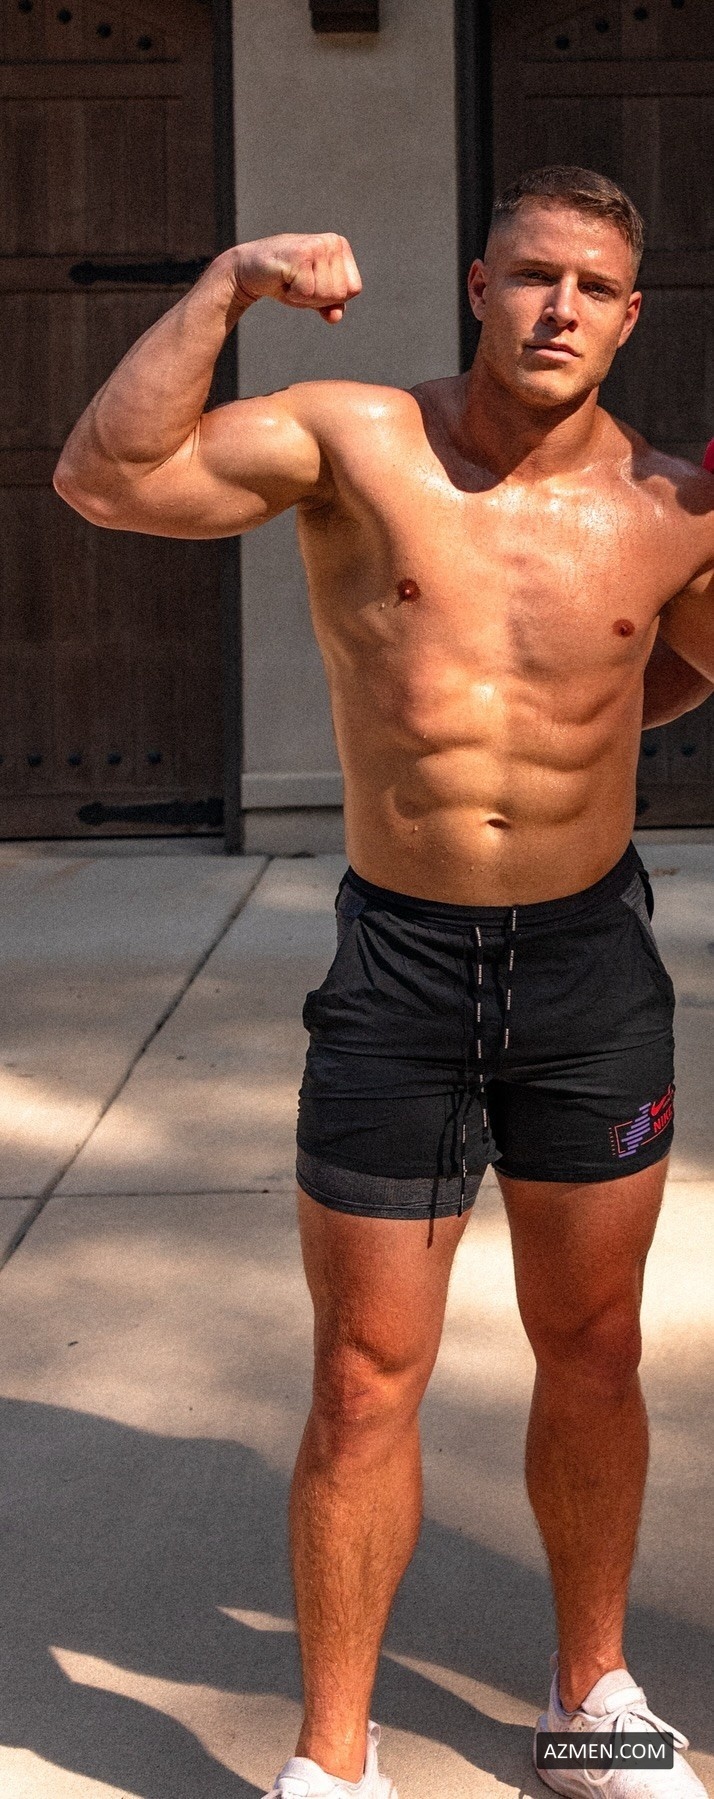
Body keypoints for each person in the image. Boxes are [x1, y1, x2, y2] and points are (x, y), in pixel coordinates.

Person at [54, 165, 713, 1799]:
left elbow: (666, 667)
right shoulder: (354, 439)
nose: (558, 308)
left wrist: (563, 723)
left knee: (593, 1351)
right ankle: (332, 1763)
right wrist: (227, 282)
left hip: (586, 973)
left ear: (631, 318)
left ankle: (590, 1701)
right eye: (532, 274)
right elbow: (104, 478)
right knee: (361, 1381)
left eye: (594, 288)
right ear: (479, 284)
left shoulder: (670, 504)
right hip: (402, 971)